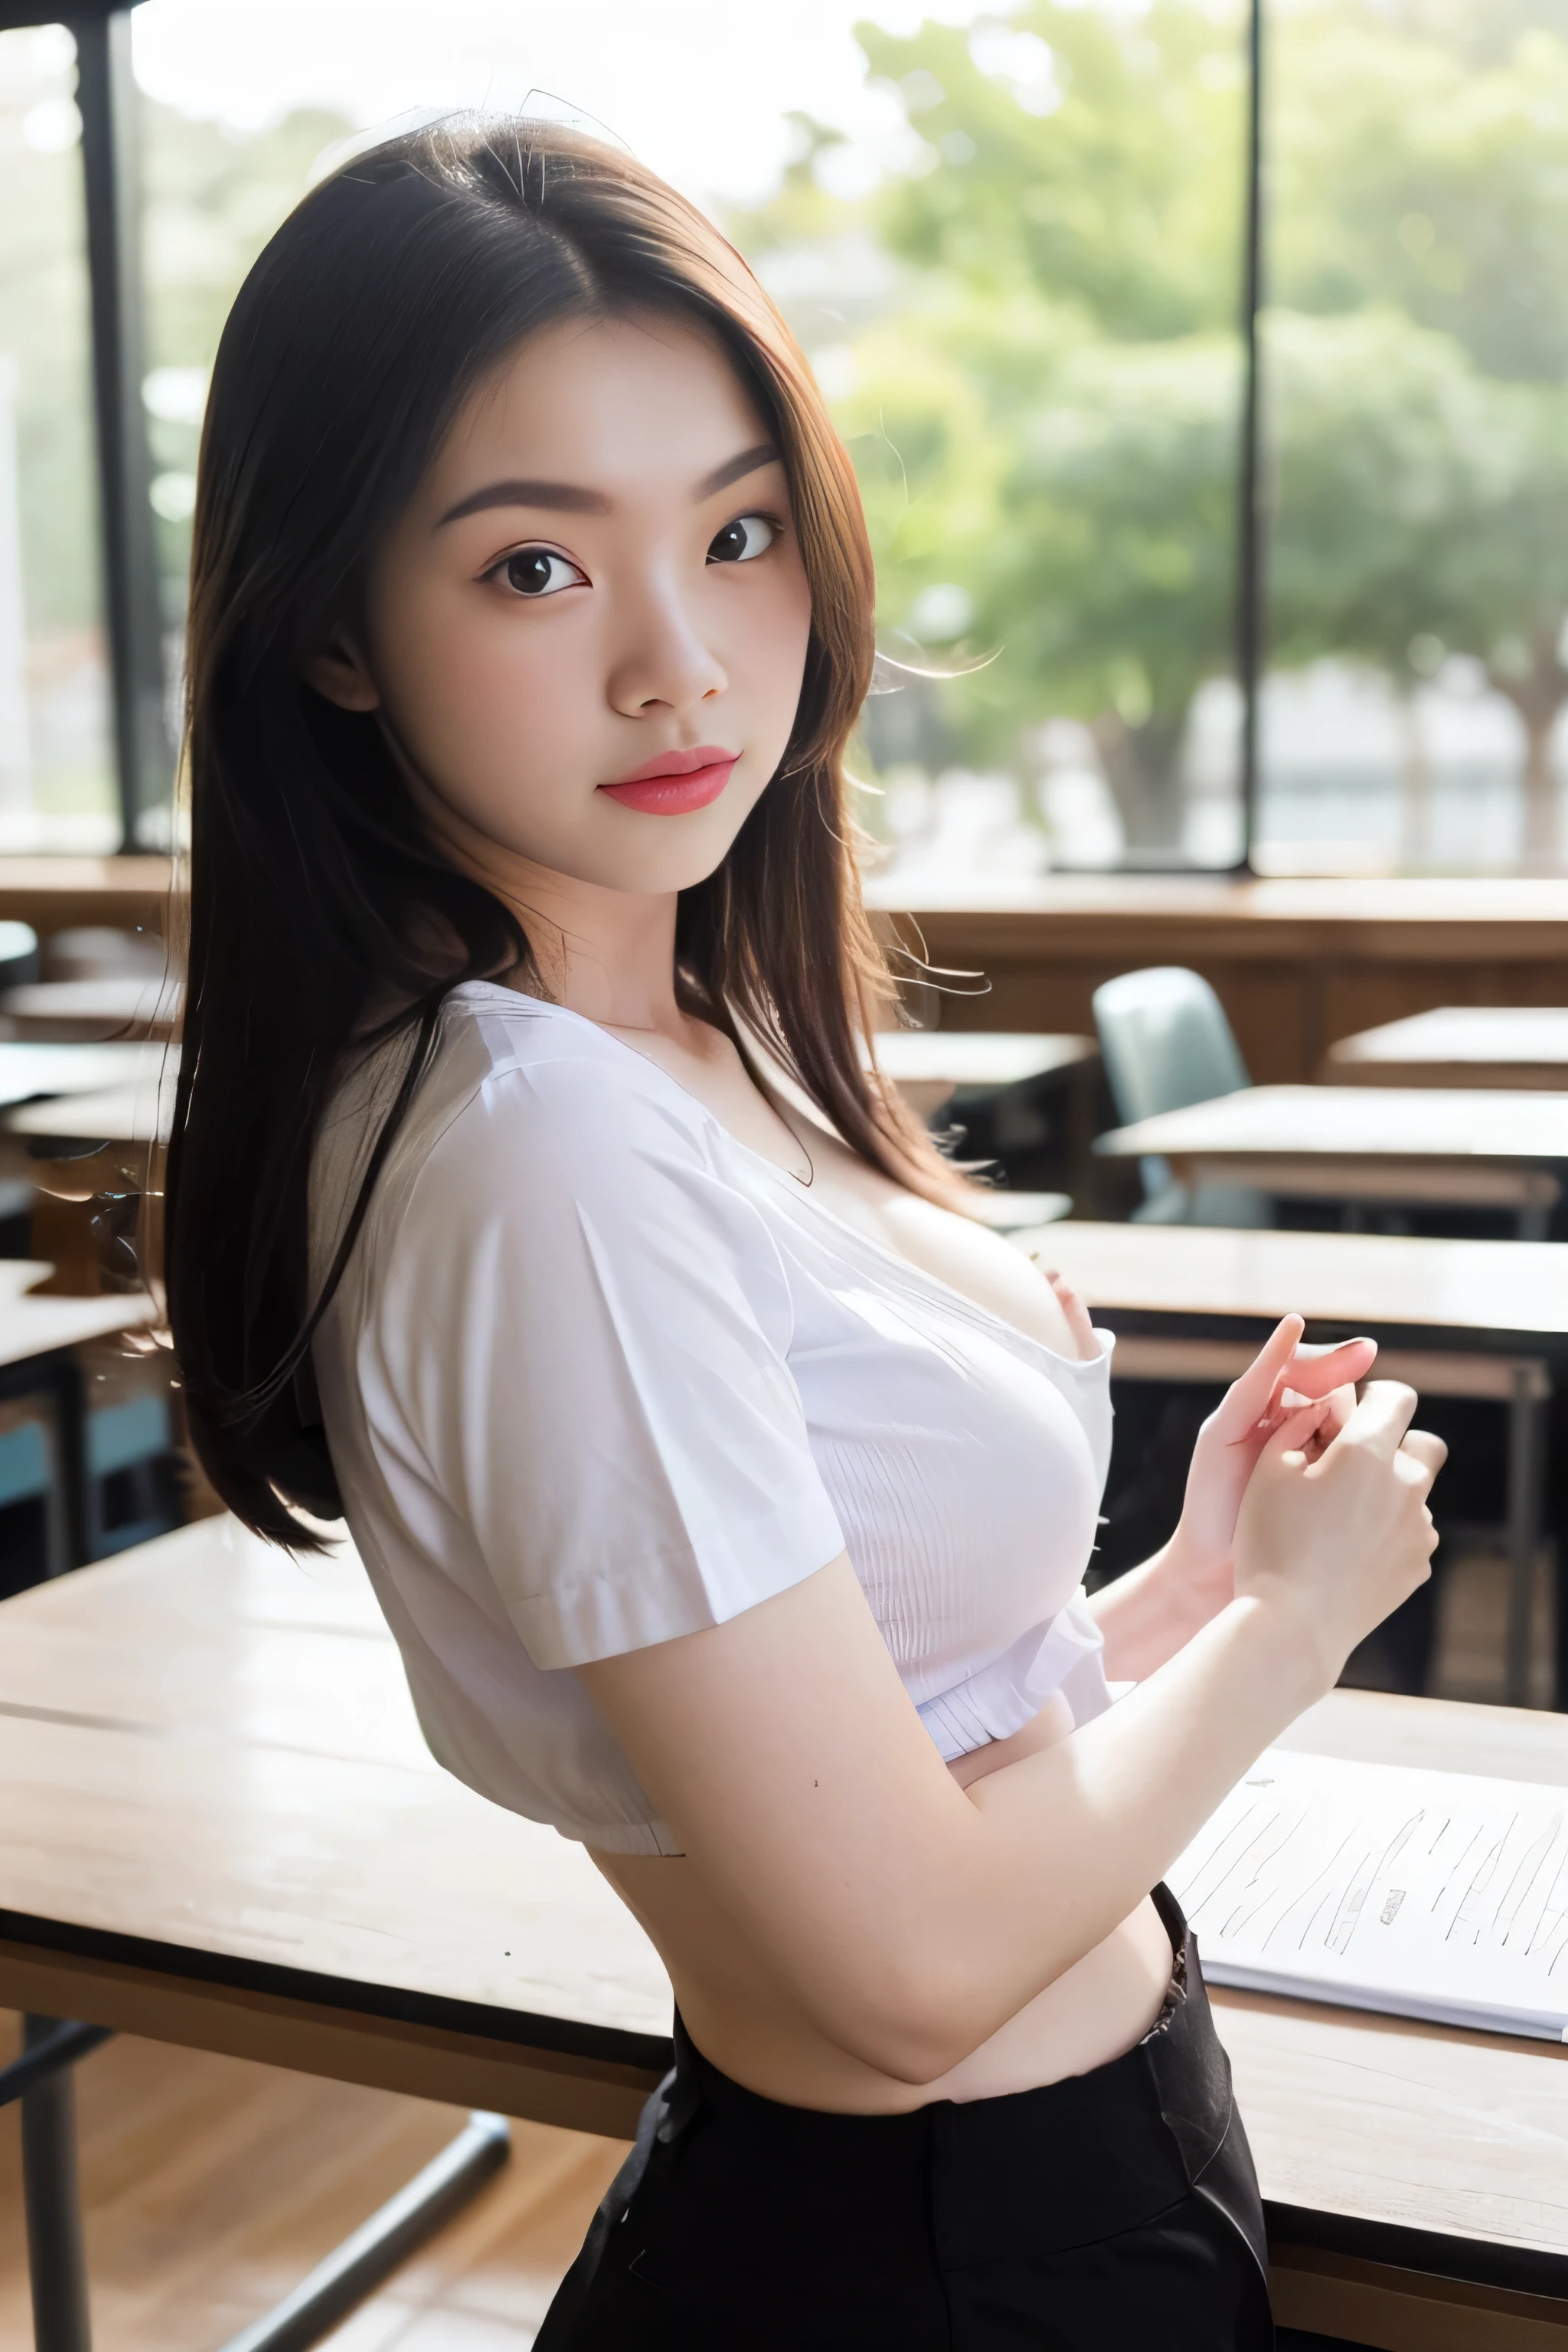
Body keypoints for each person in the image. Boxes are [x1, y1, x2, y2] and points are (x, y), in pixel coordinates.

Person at [164, 119, 1445, 2350]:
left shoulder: (676, 1037)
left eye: (737, 531)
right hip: (932, 2247)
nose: (682, 666)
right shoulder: (537, 1148)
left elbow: (907, 1731)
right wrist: (1292, 1638)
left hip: (1018, 2195)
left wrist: (1189, 1589)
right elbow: (898, 1982)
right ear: (335, 634)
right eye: (533, 569)